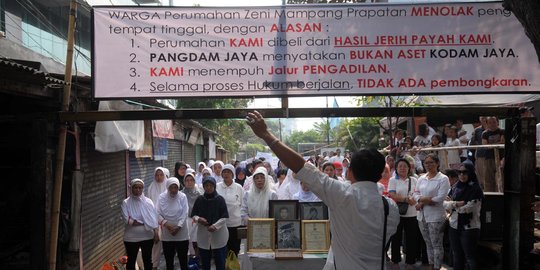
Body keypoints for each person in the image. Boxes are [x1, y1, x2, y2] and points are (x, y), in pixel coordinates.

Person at [246, 110, 399, 270]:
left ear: (350, 172)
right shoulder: (391, 208)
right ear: (381, 173)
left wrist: (266, 134)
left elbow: (303, 168)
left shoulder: (342, 195)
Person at [413, 154, 451, 270]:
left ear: (437, 163)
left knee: (436, 244)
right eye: (426, 163)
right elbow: (415, 194)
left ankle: (437, 266)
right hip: (422, 216)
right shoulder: (421, 178)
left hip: (436, 216)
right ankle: (430, 264)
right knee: (428, 242)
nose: (428, 165)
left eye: (431, 163)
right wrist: (426, 200)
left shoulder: (443, 178)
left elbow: (440, 198)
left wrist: (422, 201)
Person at [444, 163, 483, 270]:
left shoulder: (475, 189)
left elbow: (468, 208)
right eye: (459, 172)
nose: (462, 175)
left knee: (470, 257)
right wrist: (456, 204)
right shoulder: (455, 187)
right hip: (454, 225)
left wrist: (452, 204)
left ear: (470, 173)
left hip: (469, 227)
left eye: (465, 172)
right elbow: (445, 204)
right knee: (457, 256)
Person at [191, 176, 229, 270]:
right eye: (206, 185)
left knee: (220, 261)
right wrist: (199, 219)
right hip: (204, 234)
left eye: (211, 185)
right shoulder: (200, 200)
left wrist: (215, 226)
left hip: (219, 234)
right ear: (203, 187)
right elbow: (193, 215)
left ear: (214, 186)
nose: (208, 187)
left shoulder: (220, 199)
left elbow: (224, 217)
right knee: (205, 262)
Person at [388, 159, 419, 270]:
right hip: (397, 213)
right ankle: (395, 261)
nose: (402, 168)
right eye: (400, 166)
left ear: (409, 168)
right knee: (396, 238)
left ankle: (410, 262)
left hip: (412, 214)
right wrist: (405, 199)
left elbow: (418, 193)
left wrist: (415, 199)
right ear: (396, 168)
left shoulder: (414, 180)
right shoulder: (393, 180)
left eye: (405, 166)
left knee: (411, 238)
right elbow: (392, 194)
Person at [121, 179, 159, 270]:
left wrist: (156, 233)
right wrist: (145, 221)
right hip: (131, 238)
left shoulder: (148, 202)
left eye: (140, 188)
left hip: (147, 237)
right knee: (131, 261)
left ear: (143, 189)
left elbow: (154, 219)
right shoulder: (126, 203)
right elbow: (127, 220)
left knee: (147, 260)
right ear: (131, 188)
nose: (138, 190)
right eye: (135, 187)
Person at [156, 177, 189, 270]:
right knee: (169, 260)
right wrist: (166, 224)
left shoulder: (182, 196)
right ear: (167, 187)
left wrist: (178, 226)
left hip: (181, 232)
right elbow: (157, 212)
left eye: (176, 187)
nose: (174, 190)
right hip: (167, 233)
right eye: (171, 187)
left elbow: (185, 212)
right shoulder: (161, 197)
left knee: (183, 259)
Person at [216, 164, 244, 257]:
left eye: (228, 172)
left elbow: (243, 204)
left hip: (235, 223)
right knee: (222, 249)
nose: (226, 174)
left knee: (234, 249)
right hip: (221, 224)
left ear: (233, 174)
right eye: (224, 172)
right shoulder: (217, 186)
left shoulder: (239, 187)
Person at [146, 167, 168, 270]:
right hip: (155, 220)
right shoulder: (151, 187)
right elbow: (148, 205)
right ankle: (154, 265)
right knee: (156, 242)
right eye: (157, 175)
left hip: (168, 219)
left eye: (161, 175)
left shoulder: (169, 186)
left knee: (169, 244)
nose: (159, 177)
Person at [182, 172, 203, 259]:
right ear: (184, 182)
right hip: (184, 220)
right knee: (186, 241)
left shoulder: (199, 194)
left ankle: (197, 259)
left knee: (196, 241)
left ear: (194, 181)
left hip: (196, 220)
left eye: (191, 180)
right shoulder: (181, 194)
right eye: (187, 180)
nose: (189, 182)